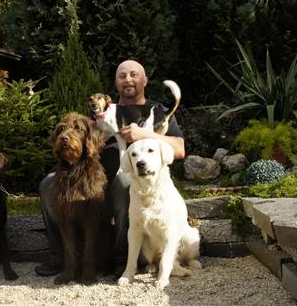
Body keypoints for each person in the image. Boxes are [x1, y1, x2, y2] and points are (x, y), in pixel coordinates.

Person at [34, 60, 185, 277]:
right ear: (116, 83)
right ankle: (61, 257)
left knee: (125, 182)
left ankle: (122, 259)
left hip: (125, 177)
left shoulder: (158, 111)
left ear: (145, 80)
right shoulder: (104, 111)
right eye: (122, 76)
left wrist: (144, 135)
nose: (128, 79)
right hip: (89, 175)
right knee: (48, 184)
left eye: (134, 75)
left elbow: (179, 149)